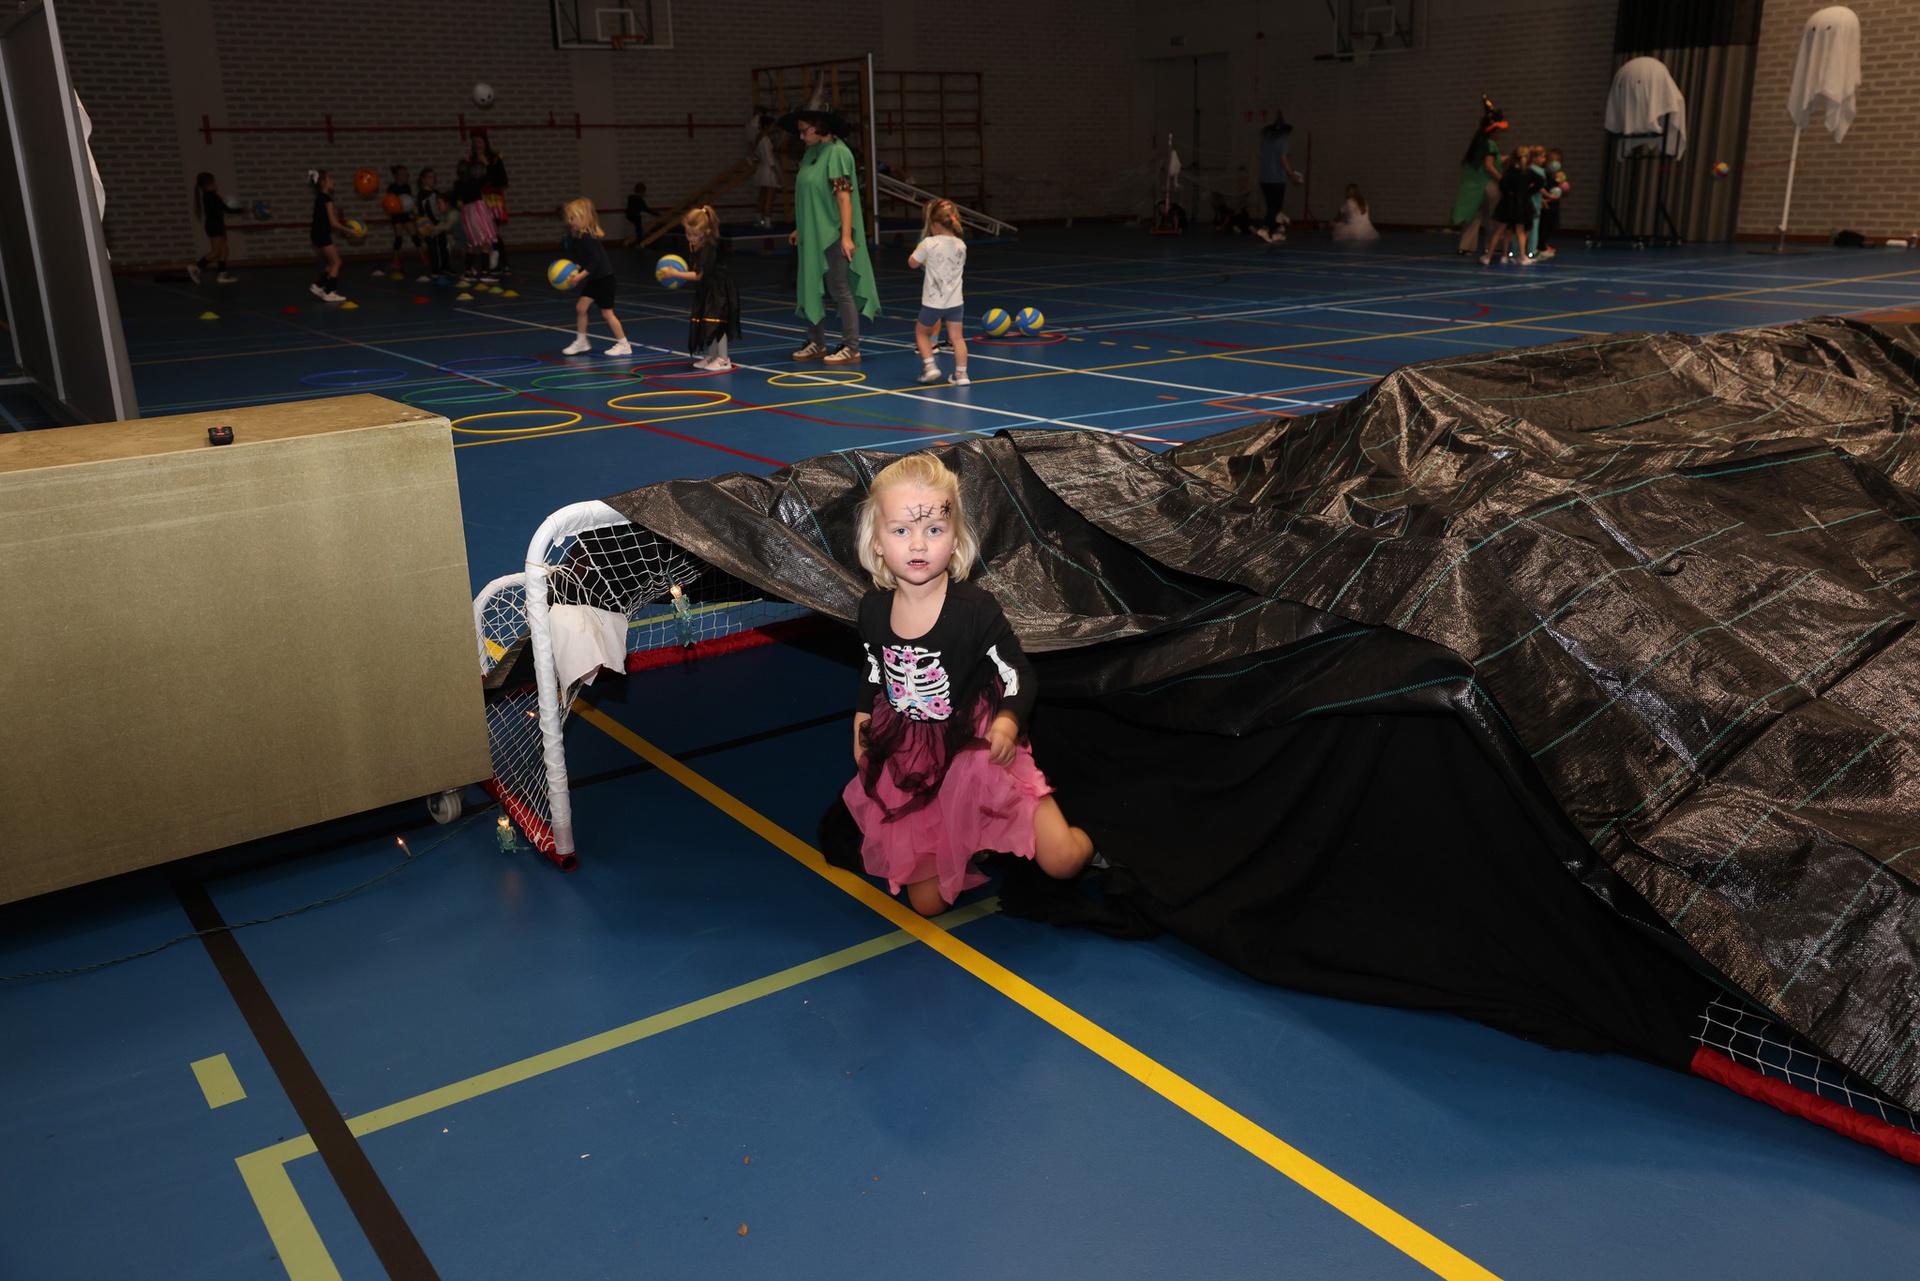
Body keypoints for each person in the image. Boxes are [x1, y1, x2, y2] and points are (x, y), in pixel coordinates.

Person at [843, 452, 1096, 917]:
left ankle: (1092, 844)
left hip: (977, 752)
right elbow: (874, 674)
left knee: (1062, 862)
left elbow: (1019, 673)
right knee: (927, 905)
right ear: (876, 542)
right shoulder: (873, 609)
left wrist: (1006, 723)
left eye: (933, 530)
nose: (918, 544)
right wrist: (861, 731)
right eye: (901, 530)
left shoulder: (974, 610)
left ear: (955, 538)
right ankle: (970, 836)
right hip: (911, 759)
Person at [783, 109, 881, 365]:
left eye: (804, 131)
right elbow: (811, 195)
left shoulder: (837, 152)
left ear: (820, 127)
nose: (801, 136)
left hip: (833, 233)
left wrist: (846, 236)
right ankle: (816, 342)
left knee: (839, 288)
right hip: (813, 233)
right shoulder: (812, 153)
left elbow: (843, 198)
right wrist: (802, 227)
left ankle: (851, 347)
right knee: (809, 284)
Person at [657, 205, 739, 371]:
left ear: (706, 232)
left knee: (717, 323)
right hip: (707, 290)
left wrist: (675, 274)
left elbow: (698, 275)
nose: (691, 238)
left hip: (719, 290)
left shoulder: (708, 249)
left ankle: (723, 359)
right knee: (707, 322)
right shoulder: (695, 245)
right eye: (688, 234)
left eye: (695, 235)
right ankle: (712, 356)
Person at [558, 197, 631, 357]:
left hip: (604, 280)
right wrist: (573, 270)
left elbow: (595, 262)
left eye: (572, 218)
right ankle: (582, 342)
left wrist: (579, 277)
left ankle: (624, 344)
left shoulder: (588, 238)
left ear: (582, 217)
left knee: (607, 314)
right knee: (580, 308)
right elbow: (584, 261)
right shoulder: (582, 237)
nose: (570, 222)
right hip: (595, 280)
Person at [909, 198, 969, 385]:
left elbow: (912, 263)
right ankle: (961, 375)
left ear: (934, 224)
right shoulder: (961, 245)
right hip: (955, 302)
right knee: (957, 338)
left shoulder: (928, 243)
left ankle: (930, 367)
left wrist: (919, 252)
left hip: (933, 302)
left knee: (921, 332)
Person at [1453, 100, 1506, 255]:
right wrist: (1502, 179)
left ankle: (1465, 246)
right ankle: (1493, 245)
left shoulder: (1477, 143)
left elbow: (1489, 161)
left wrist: (1508, 158)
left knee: (1473, 216)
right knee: (1493, 216)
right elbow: (1489, 166)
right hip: (1487, 184)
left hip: (1472, 185)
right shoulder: (1490, 144)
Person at [1481, 149, 1541, 266]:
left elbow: (1502, 185)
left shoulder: (1510, 172)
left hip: (1508, 203)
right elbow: (1540, 181)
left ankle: (1488, 257)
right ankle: (1522, 257)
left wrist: (1509, 192)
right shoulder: (1528, 172)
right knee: (1520, 231)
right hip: (1521, 204)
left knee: (1500, 230)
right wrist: (1527, 192)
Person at [306, 168, 351, 303]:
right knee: (337, 262)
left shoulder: (319, 197)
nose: (333, 181)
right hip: (322, 234)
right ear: (323, 183)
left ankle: (318, 285)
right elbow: (333, 222)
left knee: (331, 262)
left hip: (316, 234)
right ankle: (329, 292)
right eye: (330, 179)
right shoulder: (327, 199)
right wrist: (349, 230)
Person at [1254, 117, 1301, 243]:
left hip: (1265, 179)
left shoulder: (1265, 143)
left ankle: (1274, 232)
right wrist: (1291, 174)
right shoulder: (1282, 143)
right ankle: (1264, 228)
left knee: (1271, 207)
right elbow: (1283, 160)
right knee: (1275, 208)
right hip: (1277, 180)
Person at [188, 172, 240, 284]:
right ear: (210, 183)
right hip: (214, 226)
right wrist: (242, 210)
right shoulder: (212, 196)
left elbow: (220, 212)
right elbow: (227, 210)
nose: (216, 184)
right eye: (214, 181)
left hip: (214, 225)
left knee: (224, 249)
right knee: (216, 251)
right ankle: (196, 267)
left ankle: (222, 274)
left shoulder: (207, 196)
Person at [453, 159, 497, 286]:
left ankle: (468, 272)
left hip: (467, 212)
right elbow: (488, 177)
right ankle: (485, 272)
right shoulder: (475, 181)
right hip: (478, 211)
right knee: (485, 241)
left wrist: (459, 202)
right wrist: (487, 163)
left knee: (471, 242)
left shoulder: (458, 184)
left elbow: (454, 200)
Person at [414, 167, 452, 280]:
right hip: (429, 225)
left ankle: (445, 267)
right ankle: (436, 269)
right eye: (430, 177)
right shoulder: (421, 194)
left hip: (439, 223)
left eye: (434, 177)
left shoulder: (436, 192)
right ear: (423, 179)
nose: (433, 179)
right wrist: (425, 224)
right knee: (434, 248)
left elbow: (442, 207)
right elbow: (421, 212)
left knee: (443, 245)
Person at [383, 164, 421, 275]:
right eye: (402, 175)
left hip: (405, 214)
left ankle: (423, 256)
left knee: (415, 235)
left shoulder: (407, 187)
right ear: (396, 176)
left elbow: (409, 201)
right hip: (396, 215)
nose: (405, 176)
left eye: (406, 174)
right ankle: (396, 259)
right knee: (399, 237)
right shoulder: (392, 187)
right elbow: (388, 201)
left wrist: (414, 212)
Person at [1535, 149, 1569, 259]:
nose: (1556, 163)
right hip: (1546, 202)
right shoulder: (1544, 173)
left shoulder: (1557, 174)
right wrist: (1557, 181)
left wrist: (1562, 183)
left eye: (1558, 160)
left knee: (1550, 224)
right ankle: (1540, 247)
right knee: (1544, 225)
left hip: (1554, 202)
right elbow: (1546, 187)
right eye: (1553, 160)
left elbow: (1561, 187)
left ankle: (1543, 243)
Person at [750, 114, 781, 226]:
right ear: (767, 126)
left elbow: (758, 155)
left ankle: (759, 219)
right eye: (772, 126)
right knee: (769, 197)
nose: (774, 129)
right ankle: (767, 221)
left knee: (762, 196)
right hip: (769, 170)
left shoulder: (758, 137)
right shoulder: (766, 139)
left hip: (762, 168)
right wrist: (777, 174)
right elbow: (769, 158)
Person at [622, 182, 658, 247]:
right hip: (635, 216)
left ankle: (639, 241)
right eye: (644, 192)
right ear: (641, 192)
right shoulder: (640, 201)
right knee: (639, 228)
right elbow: (647, 209)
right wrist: (658, 214)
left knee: (638, 227)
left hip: (628, 215)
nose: (644, 194)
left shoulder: (631, 197)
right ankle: (639, 242)